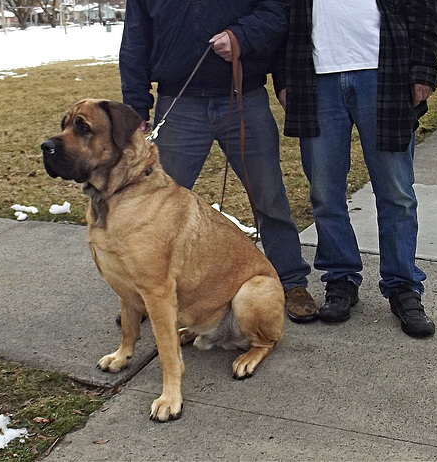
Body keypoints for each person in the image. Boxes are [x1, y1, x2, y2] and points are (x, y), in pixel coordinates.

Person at [119, 0, 317, 322]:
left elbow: (277, 11)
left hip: (244, 98)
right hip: (179, 103)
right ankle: (148, 293)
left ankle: (289, 280)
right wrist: (136, 105)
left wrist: (241, 36)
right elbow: (135, 40)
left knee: (269, 198)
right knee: (154, 208)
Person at [275, 0, 437, 337]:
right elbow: (285, 14)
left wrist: (424, 68)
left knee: (396, 192)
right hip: (316, 78)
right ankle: (341, 278)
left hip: (386, 72)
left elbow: (429, 8)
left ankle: (403, 285)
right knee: (325, 194)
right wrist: (284, 78)